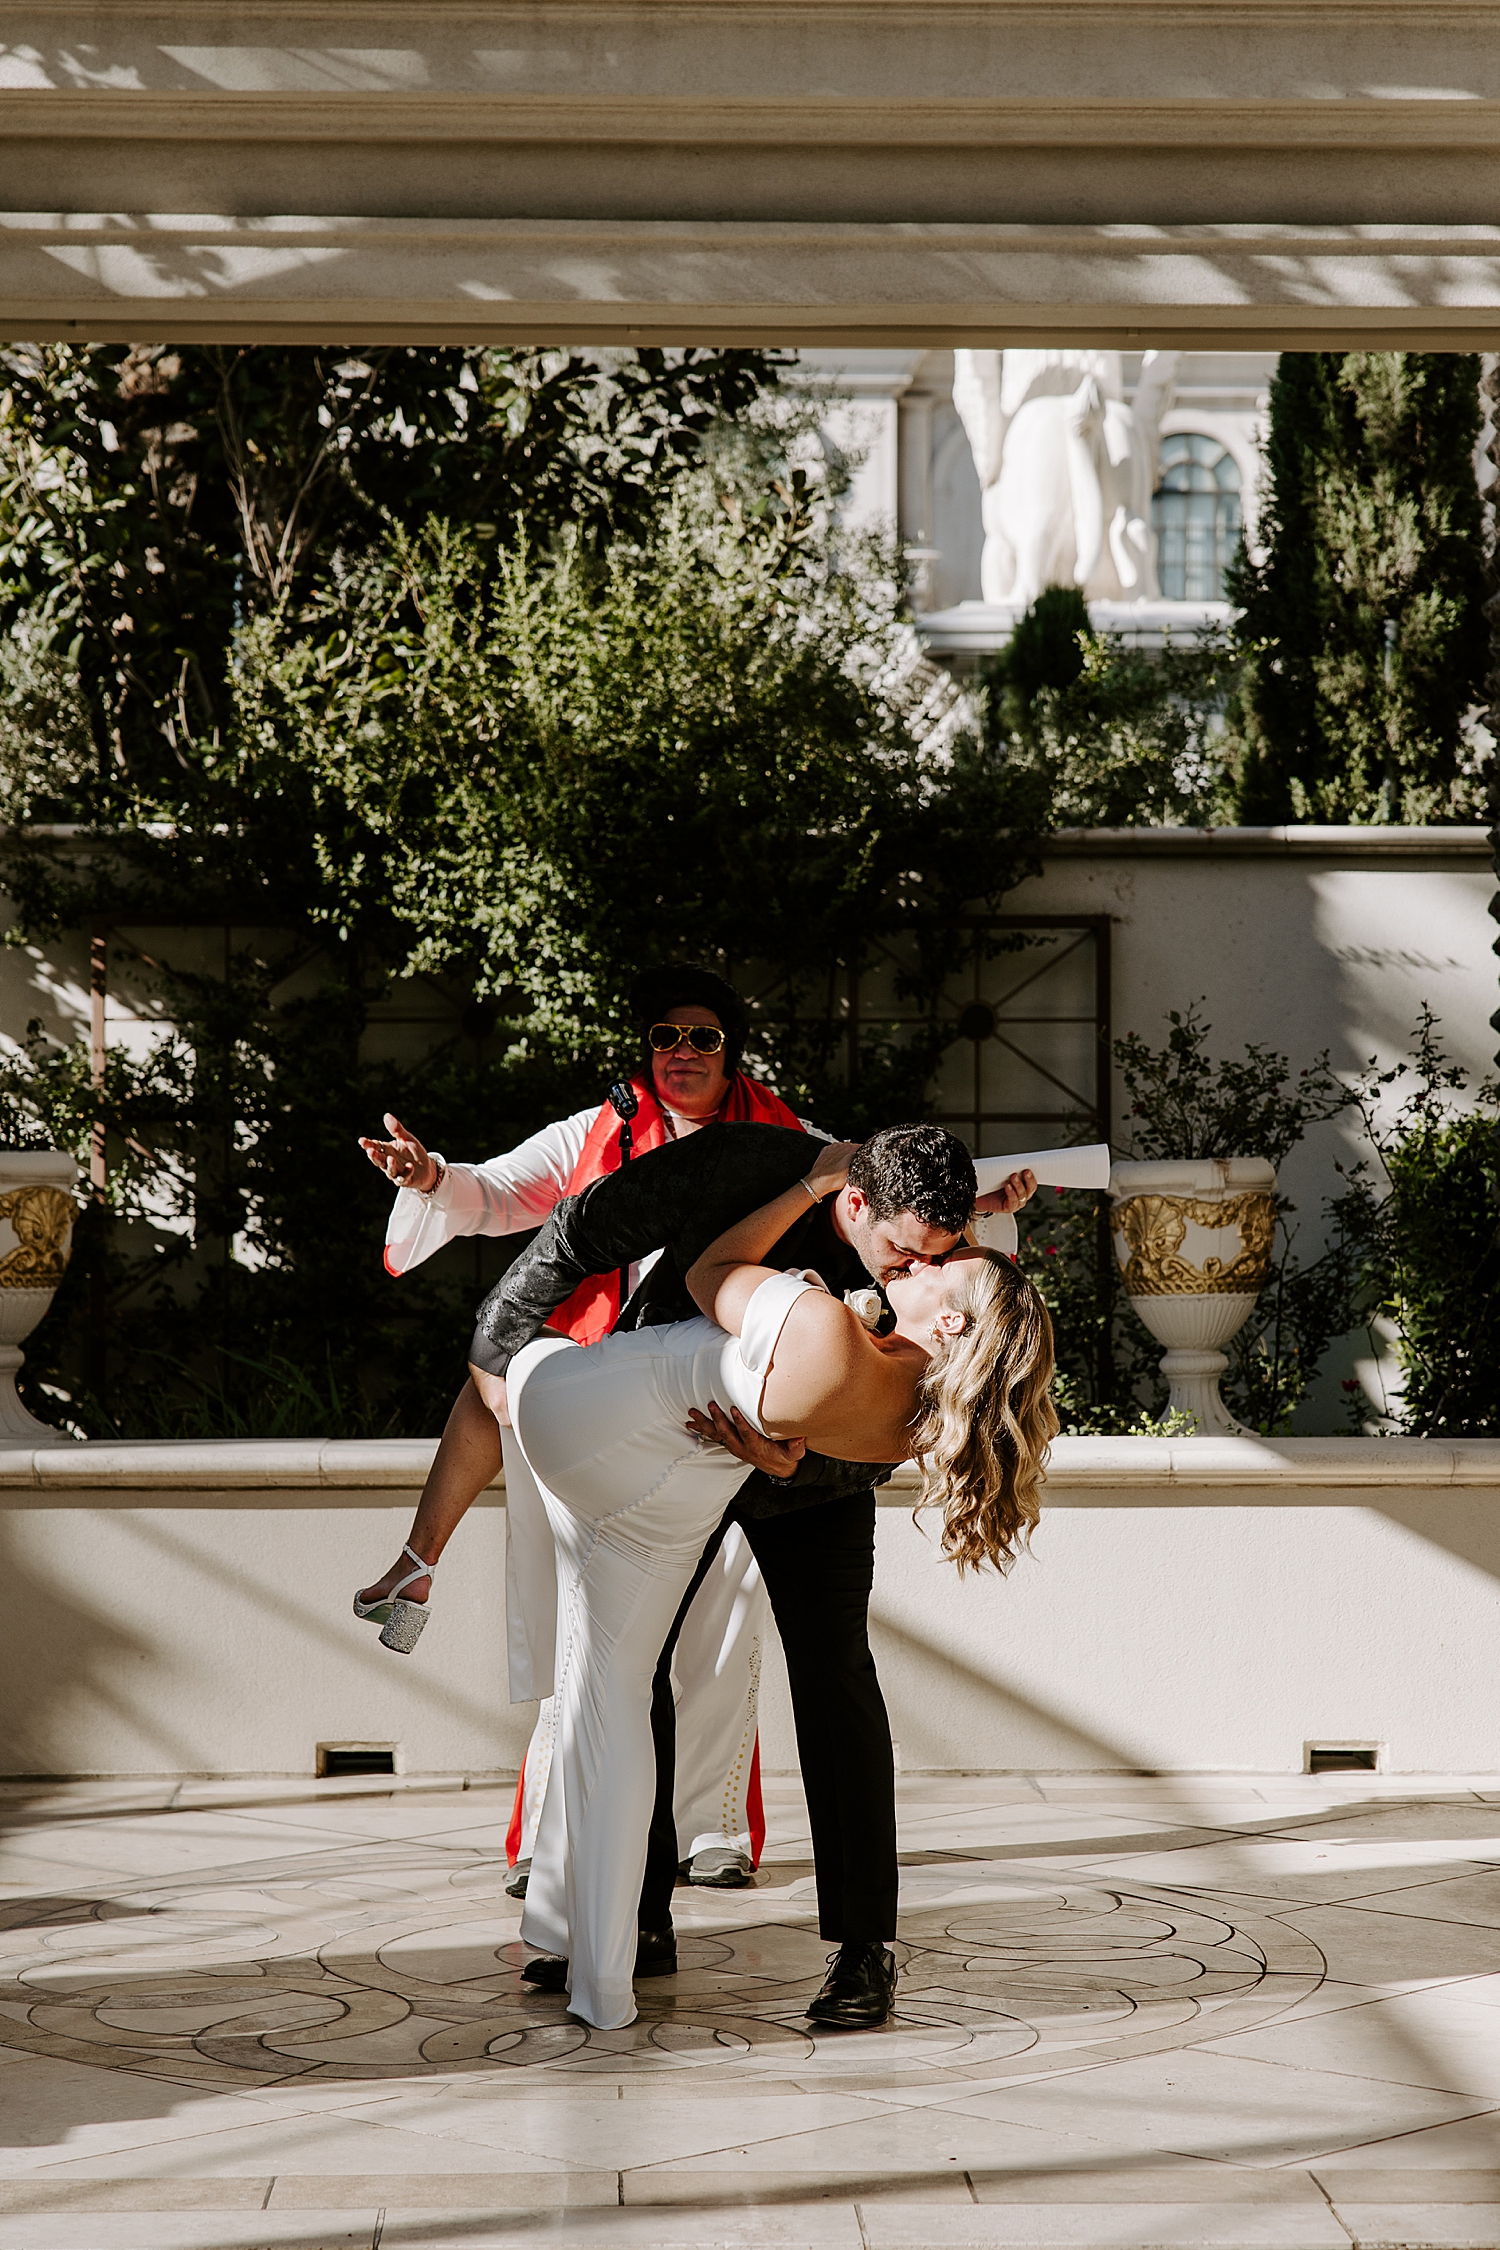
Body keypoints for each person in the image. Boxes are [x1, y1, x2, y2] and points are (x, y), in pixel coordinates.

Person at [466, 1118, 1039, 2029]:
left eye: (942, 1251)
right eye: (900, 1251)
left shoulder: (935, 1249)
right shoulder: (745, 1162)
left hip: (817, 1477)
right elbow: (581, 1232)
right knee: (631, 1666)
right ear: (856, 1202)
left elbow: (931, 1397)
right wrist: (494, 1346)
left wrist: (795, 1458)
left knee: (835, 1676)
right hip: (674, 1439)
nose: (909, 1272)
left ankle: (864, 1951)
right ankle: (635, 1918)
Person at [355, 966, 807, 1892]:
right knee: (578, 1619)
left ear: (733, 1052)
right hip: (598, 1395)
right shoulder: (596, 1131)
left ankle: (709, 1831)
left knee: (724, 1614)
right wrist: (433, 1176)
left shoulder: (785, 1139)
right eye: (664, 1037)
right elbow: (495, 1193)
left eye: (703, 1037)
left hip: (717, 1400)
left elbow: (869, 1191)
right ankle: (554, 1833)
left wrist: (979, 1207)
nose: (681, 1052)